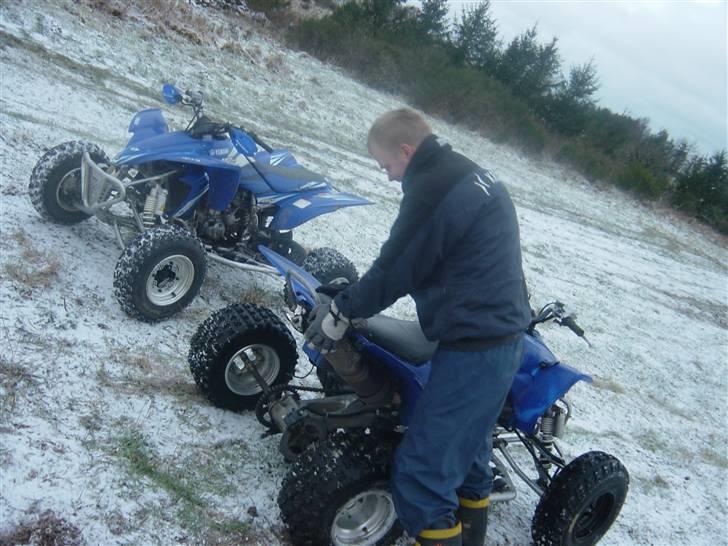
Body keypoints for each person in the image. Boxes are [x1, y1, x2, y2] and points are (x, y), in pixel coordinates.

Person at [304, 108, 532, 546]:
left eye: (387, 165)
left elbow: (396, 268)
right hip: (502, 338)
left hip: (475, 349)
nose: (388, 176)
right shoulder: (470, 173)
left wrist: (344, 311)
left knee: (421, 478)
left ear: (407, 151)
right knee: (469, 460)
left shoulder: (434, 188)